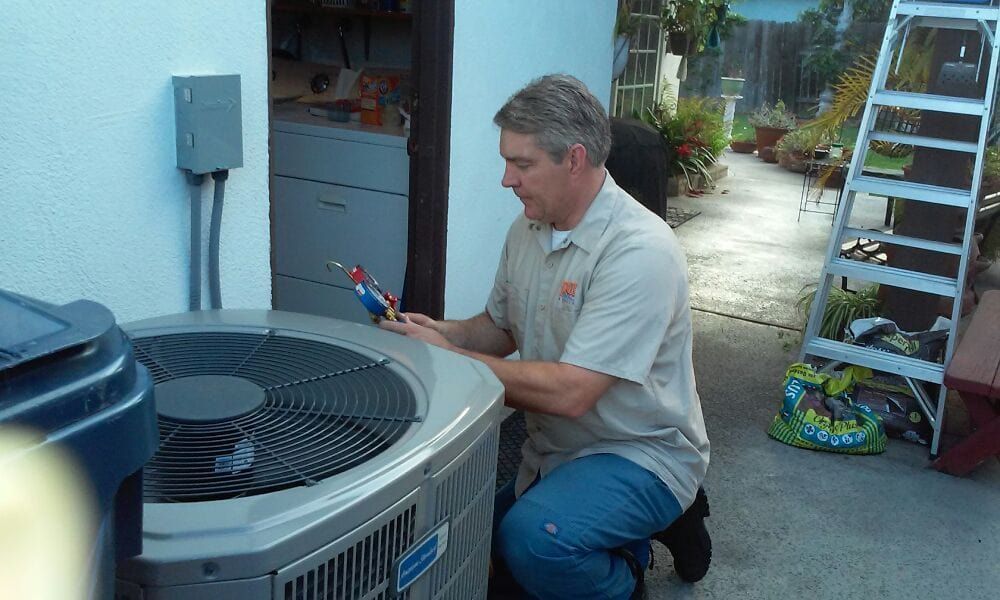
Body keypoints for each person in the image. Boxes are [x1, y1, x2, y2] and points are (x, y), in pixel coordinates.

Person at [380, 74, 710, 600]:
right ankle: (632, 523)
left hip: (640, 450)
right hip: (556, 448)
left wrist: (452, 358)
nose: (506, 180)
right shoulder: (530, 228)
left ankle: (630, 574)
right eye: (506, 161)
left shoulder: (640, 250)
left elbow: (572, 392)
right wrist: (433, 331)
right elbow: (498, 329)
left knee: (534, 544)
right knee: (467, 539)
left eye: (522, 163)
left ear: (574, 160)